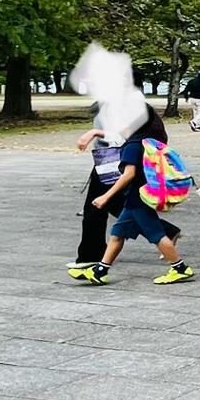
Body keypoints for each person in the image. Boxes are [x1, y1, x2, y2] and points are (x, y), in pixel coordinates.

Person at [70, 103, 183, 281]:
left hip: (136, 197)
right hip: (135, 196)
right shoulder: (145, 140)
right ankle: (100, 271)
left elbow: (128, 175)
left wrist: (106, 196)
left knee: (157, 235)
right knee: (117, 234)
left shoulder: (132, 146)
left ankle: (180, 267)